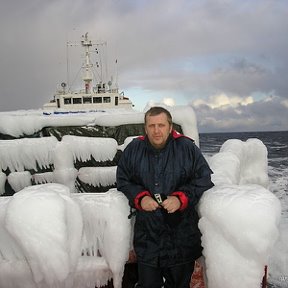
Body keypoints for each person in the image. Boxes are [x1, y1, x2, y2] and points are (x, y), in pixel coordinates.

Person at [116, 106, 214, 288]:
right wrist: (140, 197)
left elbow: (204, 179)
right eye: (151, 125)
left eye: (161, 125)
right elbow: (122, 180)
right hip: (148, 240)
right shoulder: (134, 149)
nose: (156, 130)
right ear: (145, 128)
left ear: (170, 127)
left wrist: (181, 198)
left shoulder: (187, 148)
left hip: (181, 239)